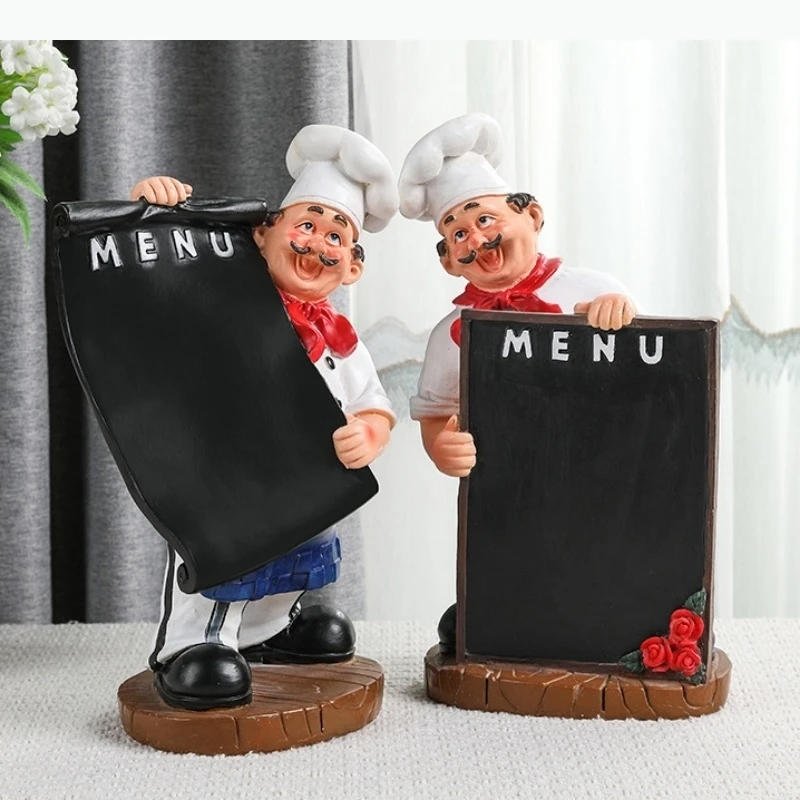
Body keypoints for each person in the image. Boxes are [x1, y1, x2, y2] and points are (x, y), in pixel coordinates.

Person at [131, 124, 398, 710]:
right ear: (262, 233)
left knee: (295, 558)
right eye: (306, 225)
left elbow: (373, 401)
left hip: (306, 478)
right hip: (230, 472)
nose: (317, 244)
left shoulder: (341, 338)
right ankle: (192, 644)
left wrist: (369, 432)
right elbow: (157, 289)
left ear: (352, 267)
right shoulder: (224, 306)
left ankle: (270, 628)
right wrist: (152, 213)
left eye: (336, 236)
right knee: (224, 560)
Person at [397, 112, 638, 651]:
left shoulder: (593, 287)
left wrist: (620, 313)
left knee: (597, 543)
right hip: (509, 478)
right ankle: (498, 616)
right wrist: (442, 446)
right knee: (508, 548)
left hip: (596, 466)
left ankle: (603, 623)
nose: (476, 240)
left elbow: (650, 372)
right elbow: (436, 413)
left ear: (532, 215)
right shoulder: (452, 334)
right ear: (449, 262)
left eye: (485, 220)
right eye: (458, 234)